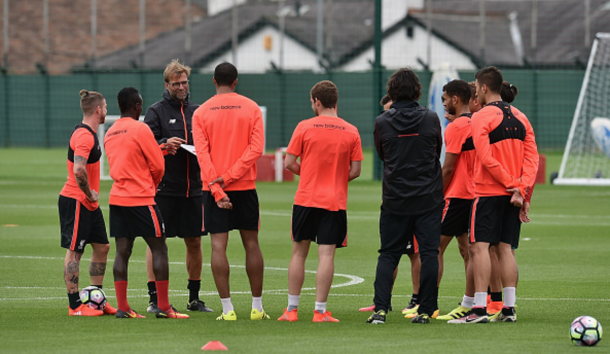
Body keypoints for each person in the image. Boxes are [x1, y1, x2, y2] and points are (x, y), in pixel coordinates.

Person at [450, 67, 538, 324]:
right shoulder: (522, 117)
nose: (475, 91)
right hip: (514, 196)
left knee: (479, 248)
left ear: (484, 88)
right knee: (506, 249)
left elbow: (485, 158)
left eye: (476, 87)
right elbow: (532, 160)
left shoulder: (482, 116)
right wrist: (522, 191)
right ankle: (509, 309)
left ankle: (478, 310)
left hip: (488, 192)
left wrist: (512, 184)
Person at [278, 80, 363, 323]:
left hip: (306, 198)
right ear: (336, 101)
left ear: (317, 101)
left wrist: (309, 175)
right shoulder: (351, 130)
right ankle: (320, 311)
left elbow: (289, 162)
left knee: (298, 254)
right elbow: (356, 170)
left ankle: (291, 310)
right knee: (326, 256)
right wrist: (334, 177)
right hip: (334, 201)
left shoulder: (304, 127)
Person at [192, 62, 268, 321]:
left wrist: (216, 187)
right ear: (236, 81)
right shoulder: (252, 107)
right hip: (244, 187)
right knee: (252, 244)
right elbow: (256, 150)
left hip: (213, 189)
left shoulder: (201, 112)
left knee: (217, 246)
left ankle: (228, 310)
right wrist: (231, 177)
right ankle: (257, 308)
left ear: (214, 81)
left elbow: (201, 155)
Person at [367, 68, 443, 325]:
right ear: (417, 90)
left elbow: (382, 155)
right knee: (430, 253)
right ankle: (426, 310)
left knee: (388, 254)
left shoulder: (382, 121)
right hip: (427, 197)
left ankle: (380, 310)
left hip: (395, 198)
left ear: (392, 92)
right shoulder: (431, 118)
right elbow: (436, 151)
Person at [105, 87, 189, 319]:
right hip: (141, 198)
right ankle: (164, 307)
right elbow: (157, 165)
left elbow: (128, 158)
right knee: (159, 248)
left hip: (117, 198)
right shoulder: (141, 128)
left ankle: (123, 307)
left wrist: (159, 150)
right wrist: (152, 183)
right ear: (137, 106)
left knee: (122, 252)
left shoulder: (110, 132)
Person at [143, 59, 212, 314]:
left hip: (194, 189)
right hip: (164, 189)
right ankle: (154, 299)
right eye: (176, 84)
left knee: (194, 241)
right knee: (157, 242)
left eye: (184, 82)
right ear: (167, 84)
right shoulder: (156, 111)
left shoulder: (199, 111)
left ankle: (194, 299)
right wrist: (164, 143)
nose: (181, 87)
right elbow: (145, 145)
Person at [359, 94, 422, 315]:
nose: (388, 115)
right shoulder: (387, 130)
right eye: (385, 111)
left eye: (390, 110)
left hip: (413, 198)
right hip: (393, 198)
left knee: (415, 252)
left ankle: (417, 299)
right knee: (390, 252)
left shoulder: (414, 132)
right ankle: (382, 300)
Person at [58, 90, 117, 316]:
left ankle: (96, 301)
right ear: (98, 110)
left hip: (88, 203)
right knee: (75, 252)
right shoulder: (84, 136)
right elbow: (79, 169)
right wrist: (89, 194)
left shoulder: (90, 133)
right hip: (76, 200)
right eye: (106, 106)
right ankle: (75, 306)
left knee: (102, 247)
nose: (107, 110)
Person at [428, 80, 475, 319]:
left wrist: (437, 195)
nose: (444, 103)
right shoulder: (477, 122)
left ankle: (429, 304)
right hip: (476, 194)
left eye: (445, 98)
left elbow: (448, 168)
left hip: (457, 195)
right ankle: (473, 303)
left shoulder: (455, 128)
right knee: (469, 251)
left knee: (435, 247)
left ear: (456, 99)